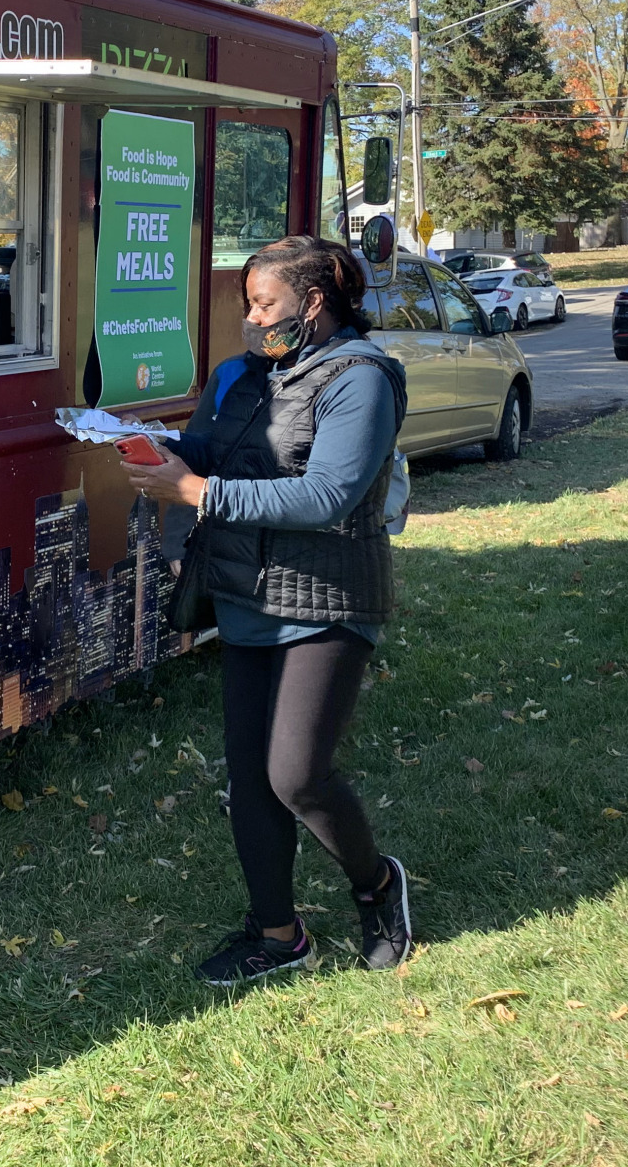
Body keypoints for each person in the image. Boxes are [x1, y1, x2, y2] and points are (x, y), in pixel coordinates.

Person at [122, 235, 412, 985]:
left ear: (314, 303)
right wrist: (151, 447)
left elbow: (328, 495)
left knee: (297, 776)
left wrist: (196, 494)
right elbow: (215, 448)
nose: (252, 320)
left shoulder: (362, 380)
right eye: (248, 305)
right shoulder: (249, 377)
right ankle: (278, 934)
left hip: (328, 598)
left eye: (265, 304)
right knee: (249, 778)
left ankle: (377, 885)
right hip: (248, 593)